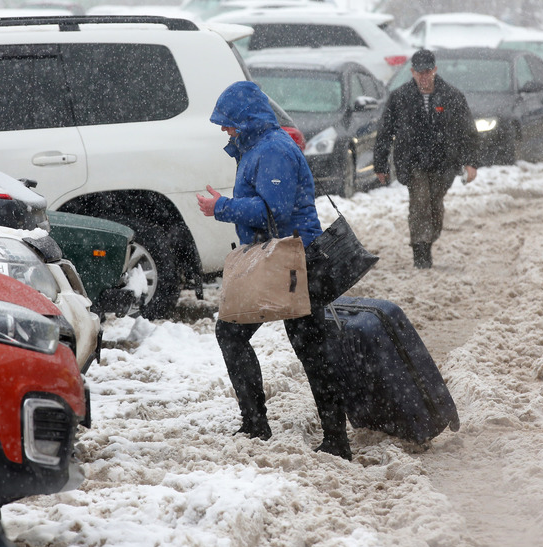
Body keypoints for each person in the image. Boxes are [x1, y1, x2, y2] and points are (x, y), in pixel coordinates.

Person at [196, 81, 352, 461]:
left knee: (309, 349)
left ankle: (332, 439)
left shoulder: (274, 150)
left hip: (298, 261)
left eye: (228, 121)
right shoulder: (256, 148)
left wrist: (221, 206)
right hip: (279, 258)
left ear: (246, 119)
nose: (223, 129)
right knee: (240, 333)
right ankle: (257, 425)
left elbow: (272, 212)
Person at [374, 49, 480, 269]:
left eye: (428, 71)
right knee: (420, 202)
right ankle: (421, 252)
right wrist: (381, 164)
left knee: (434, 204)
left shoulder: (452, 96)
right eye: (419, 72)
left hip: (444, 161)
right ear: (412, 72)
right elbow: (385, 132)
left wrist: (471, 162)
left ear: (435, 70)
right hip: (413, 161)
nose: (424, 76)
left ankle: (428, 238)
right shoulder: (400, 97)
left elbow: (467, 131)